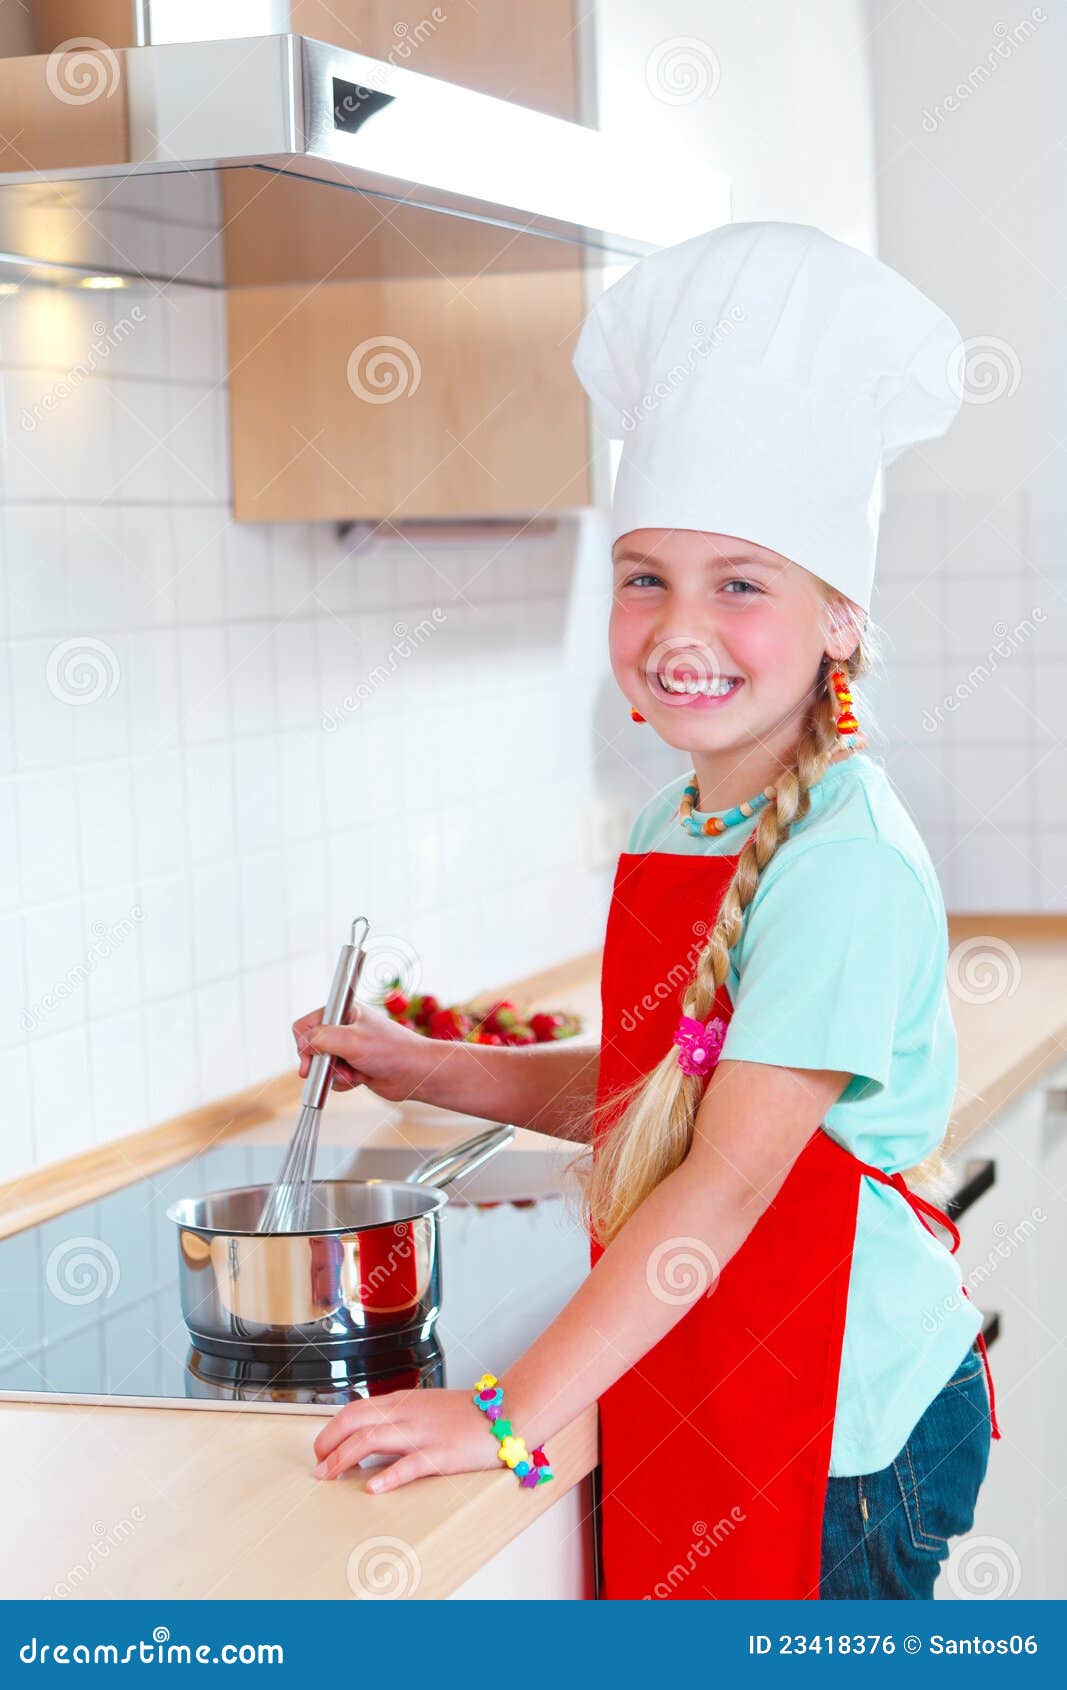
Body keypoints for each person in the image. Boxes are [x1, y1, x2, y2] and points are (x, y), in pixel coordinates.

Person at [294, 222, 999, 1600]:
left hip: (840, 1436)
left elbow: (725, 1181)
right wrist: (426, 1064)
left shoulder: (842, 861)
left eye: (741, 583)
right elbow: (654, 1094)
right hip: (724, 1370)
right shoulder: (689, 818)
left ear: (839, 617)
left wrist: (508, 1414)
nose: (683, 627)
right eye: (645, 577)